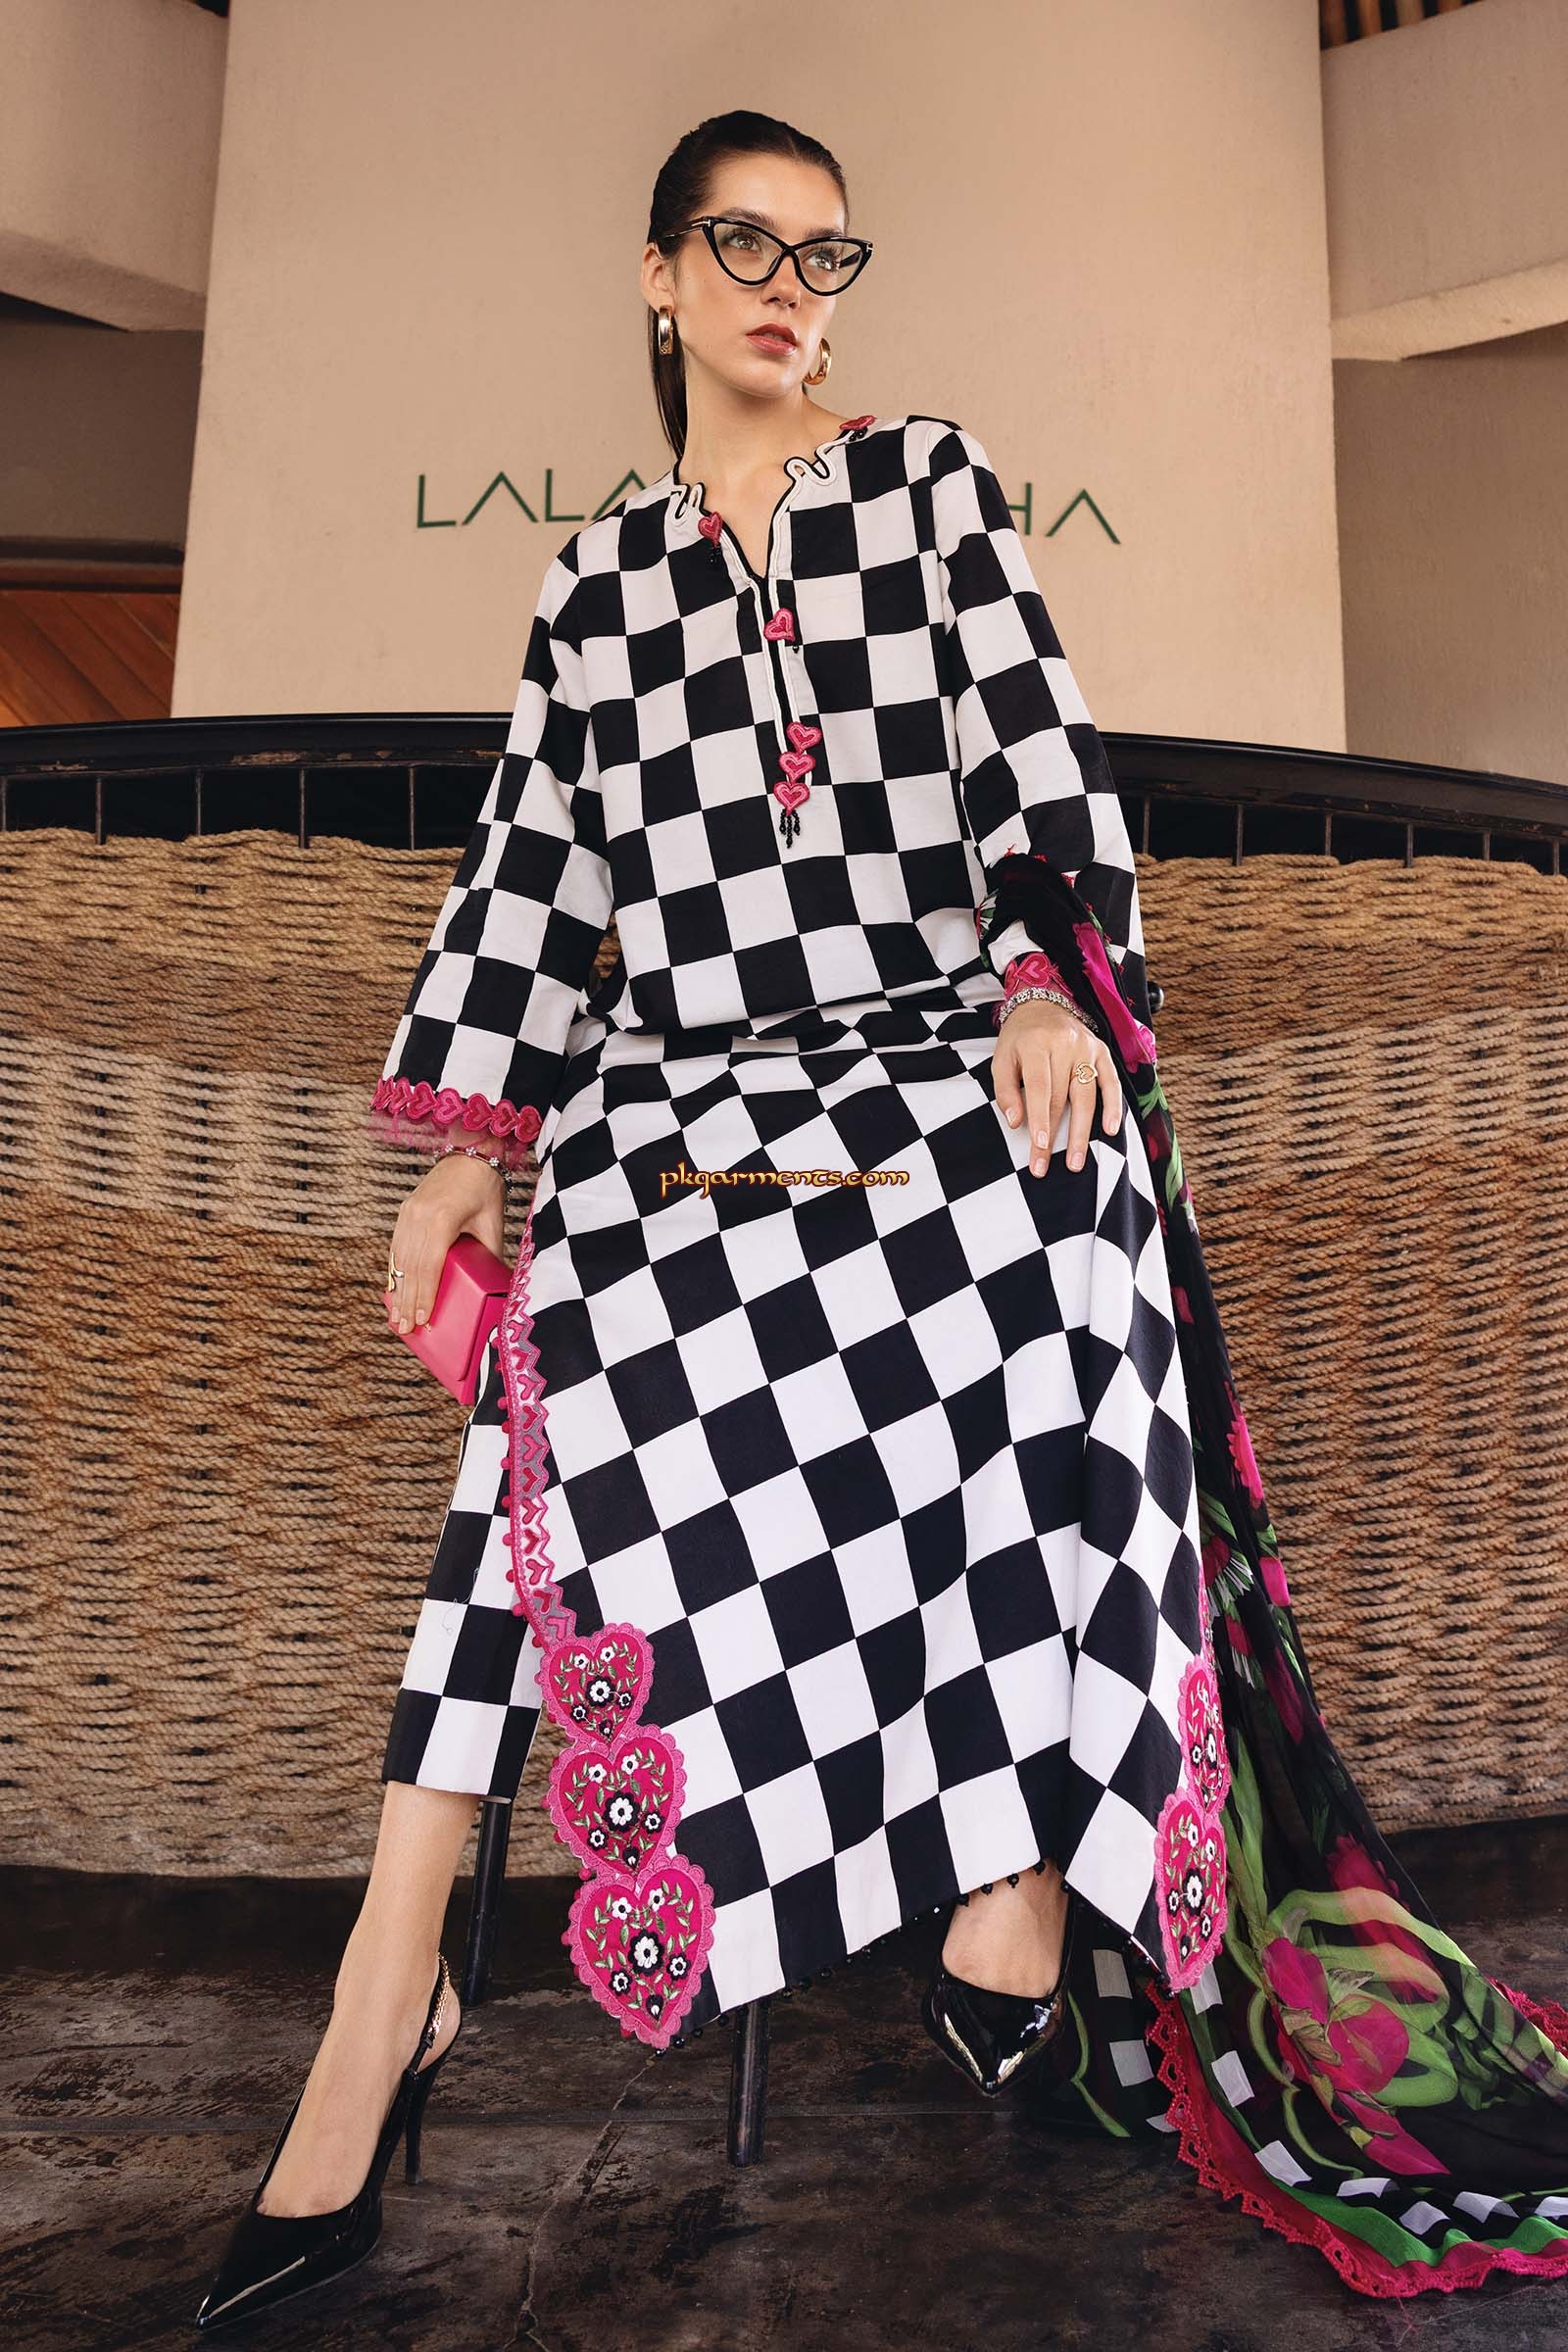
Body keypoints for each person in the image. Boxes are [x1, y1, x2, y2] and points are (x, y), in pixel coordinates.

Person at [195, 110, 1568, 2329]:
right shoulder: (595, 585)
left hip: (933, 1061)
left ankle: (1000, 1872)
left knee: (1067, 1207)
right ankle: (388, 1981)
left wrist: (1041, 987)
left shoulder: (926, 487)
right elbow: (535, 873)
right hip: (689, 1102)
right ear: (658, 276)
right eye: (740, 243)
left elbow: (1036, 757)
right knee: (563, 1354)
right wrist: (468, 1140)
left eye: (820, 254)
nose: (784, 286)